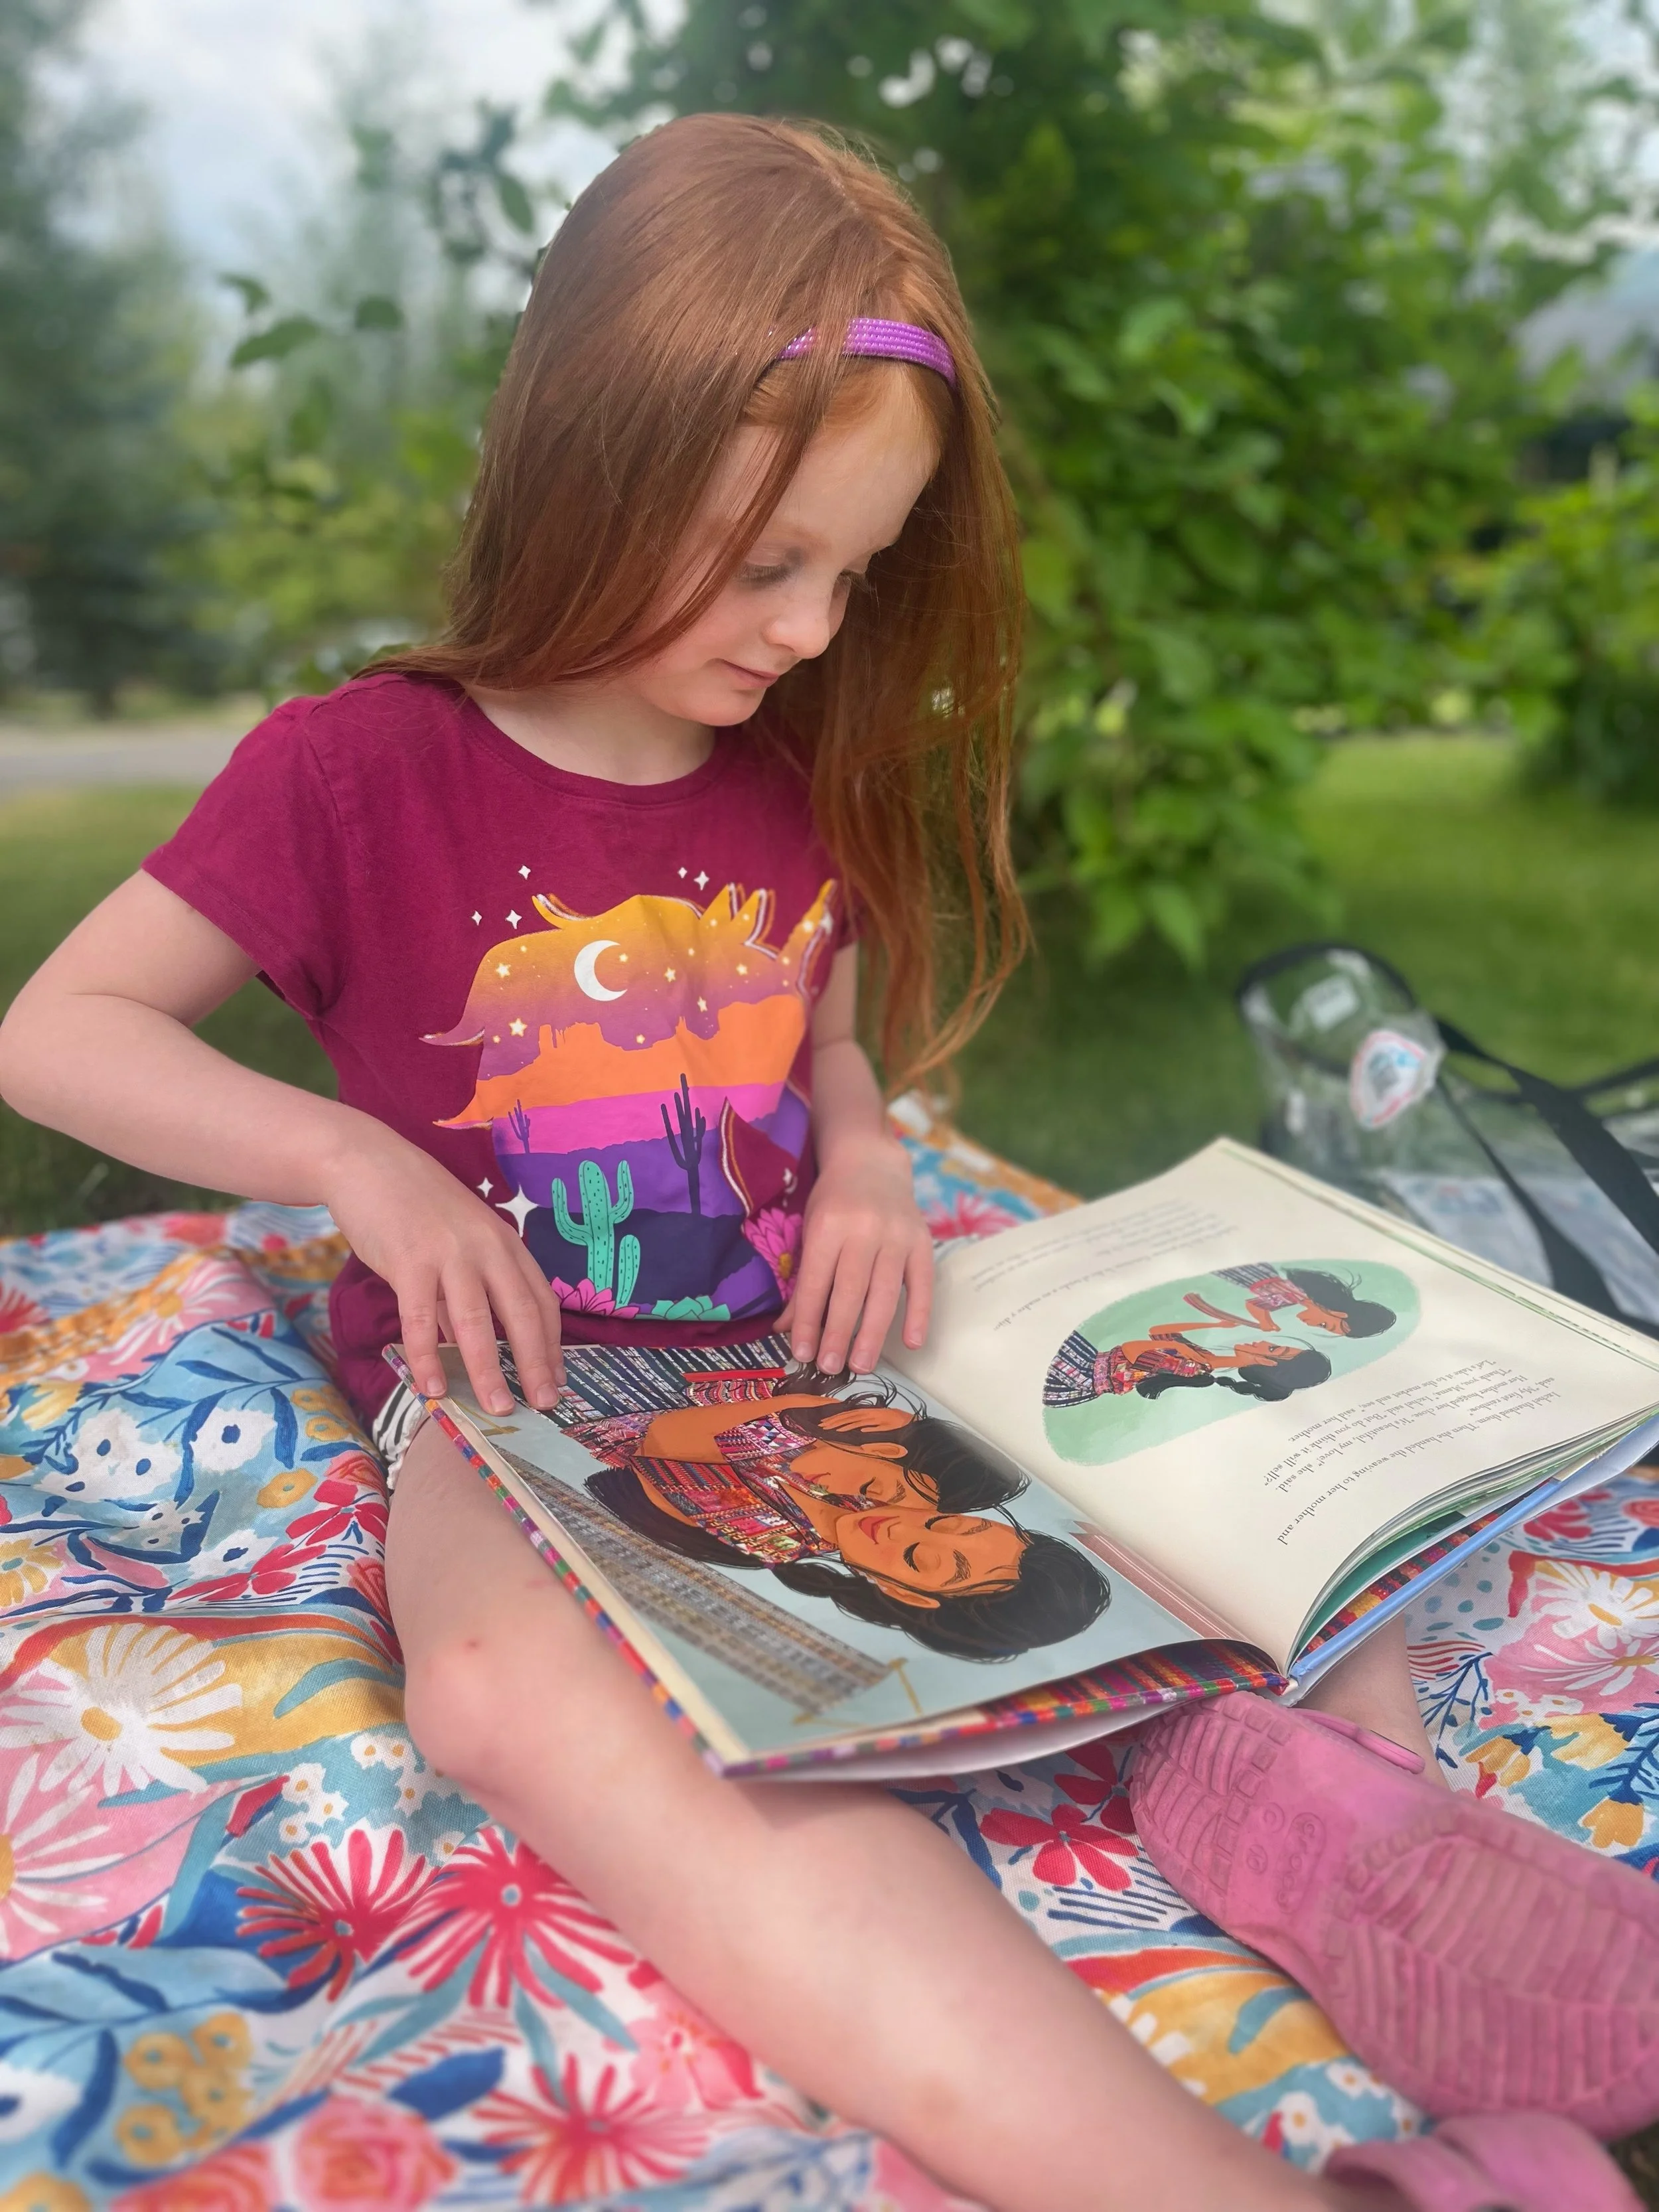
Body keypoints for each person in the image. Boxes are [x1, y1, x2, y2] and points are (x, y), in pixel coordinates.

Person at [0, 114, 1651, 2212]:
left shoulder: (782, 776)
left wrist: (863, 1152)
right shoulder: (353, 773)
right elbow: (56, 1028)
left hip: (824, 1359)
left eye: (852, 573)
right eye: (766, 558)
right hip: (523, 1400)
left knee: (1227, 1443)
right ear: (588, 459)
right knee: (504, 1689)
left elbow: (830, 1033)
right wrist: (351, 1160)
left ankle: (1331, 1813)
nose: (807, 624)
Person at [1043, 1321, 1332, 1407]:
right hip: (1087, 1363)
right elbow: (1159, 1331)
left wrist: (1181, 1348)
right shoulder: (1203, 1358)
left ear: (1267, 1362)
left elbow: (1130, 1351)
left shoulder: (1196, 1368)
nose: (1263, 1341)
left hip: (1082, 1374)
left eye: (1272, 1348)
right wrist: (1214, 1324)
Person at [1185, 1261, 1397, 1340]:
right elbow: (1254, 1305)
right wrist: (1266, 1323)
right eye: (1325, 1325)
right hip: (1247, 1272)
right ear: (1339, 1313)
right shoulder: (1295, 1296)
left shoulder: (1301, 1295)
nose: (1314, 1325)